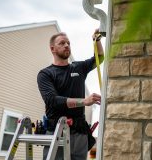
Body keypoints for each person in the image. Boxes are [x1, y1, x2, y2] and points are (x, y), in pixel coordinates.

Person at [37, 29, 104, 160]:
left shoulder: (78, 67)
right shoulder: (46, 74)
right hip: (57, 132)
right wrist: (83, 101)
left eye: (68, 43)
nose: (67, 45)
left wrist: (97, 41)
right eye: (62, 43)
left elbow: (100, 57)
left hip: (79, 134)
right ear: (52, 49)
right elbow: (52, 100)